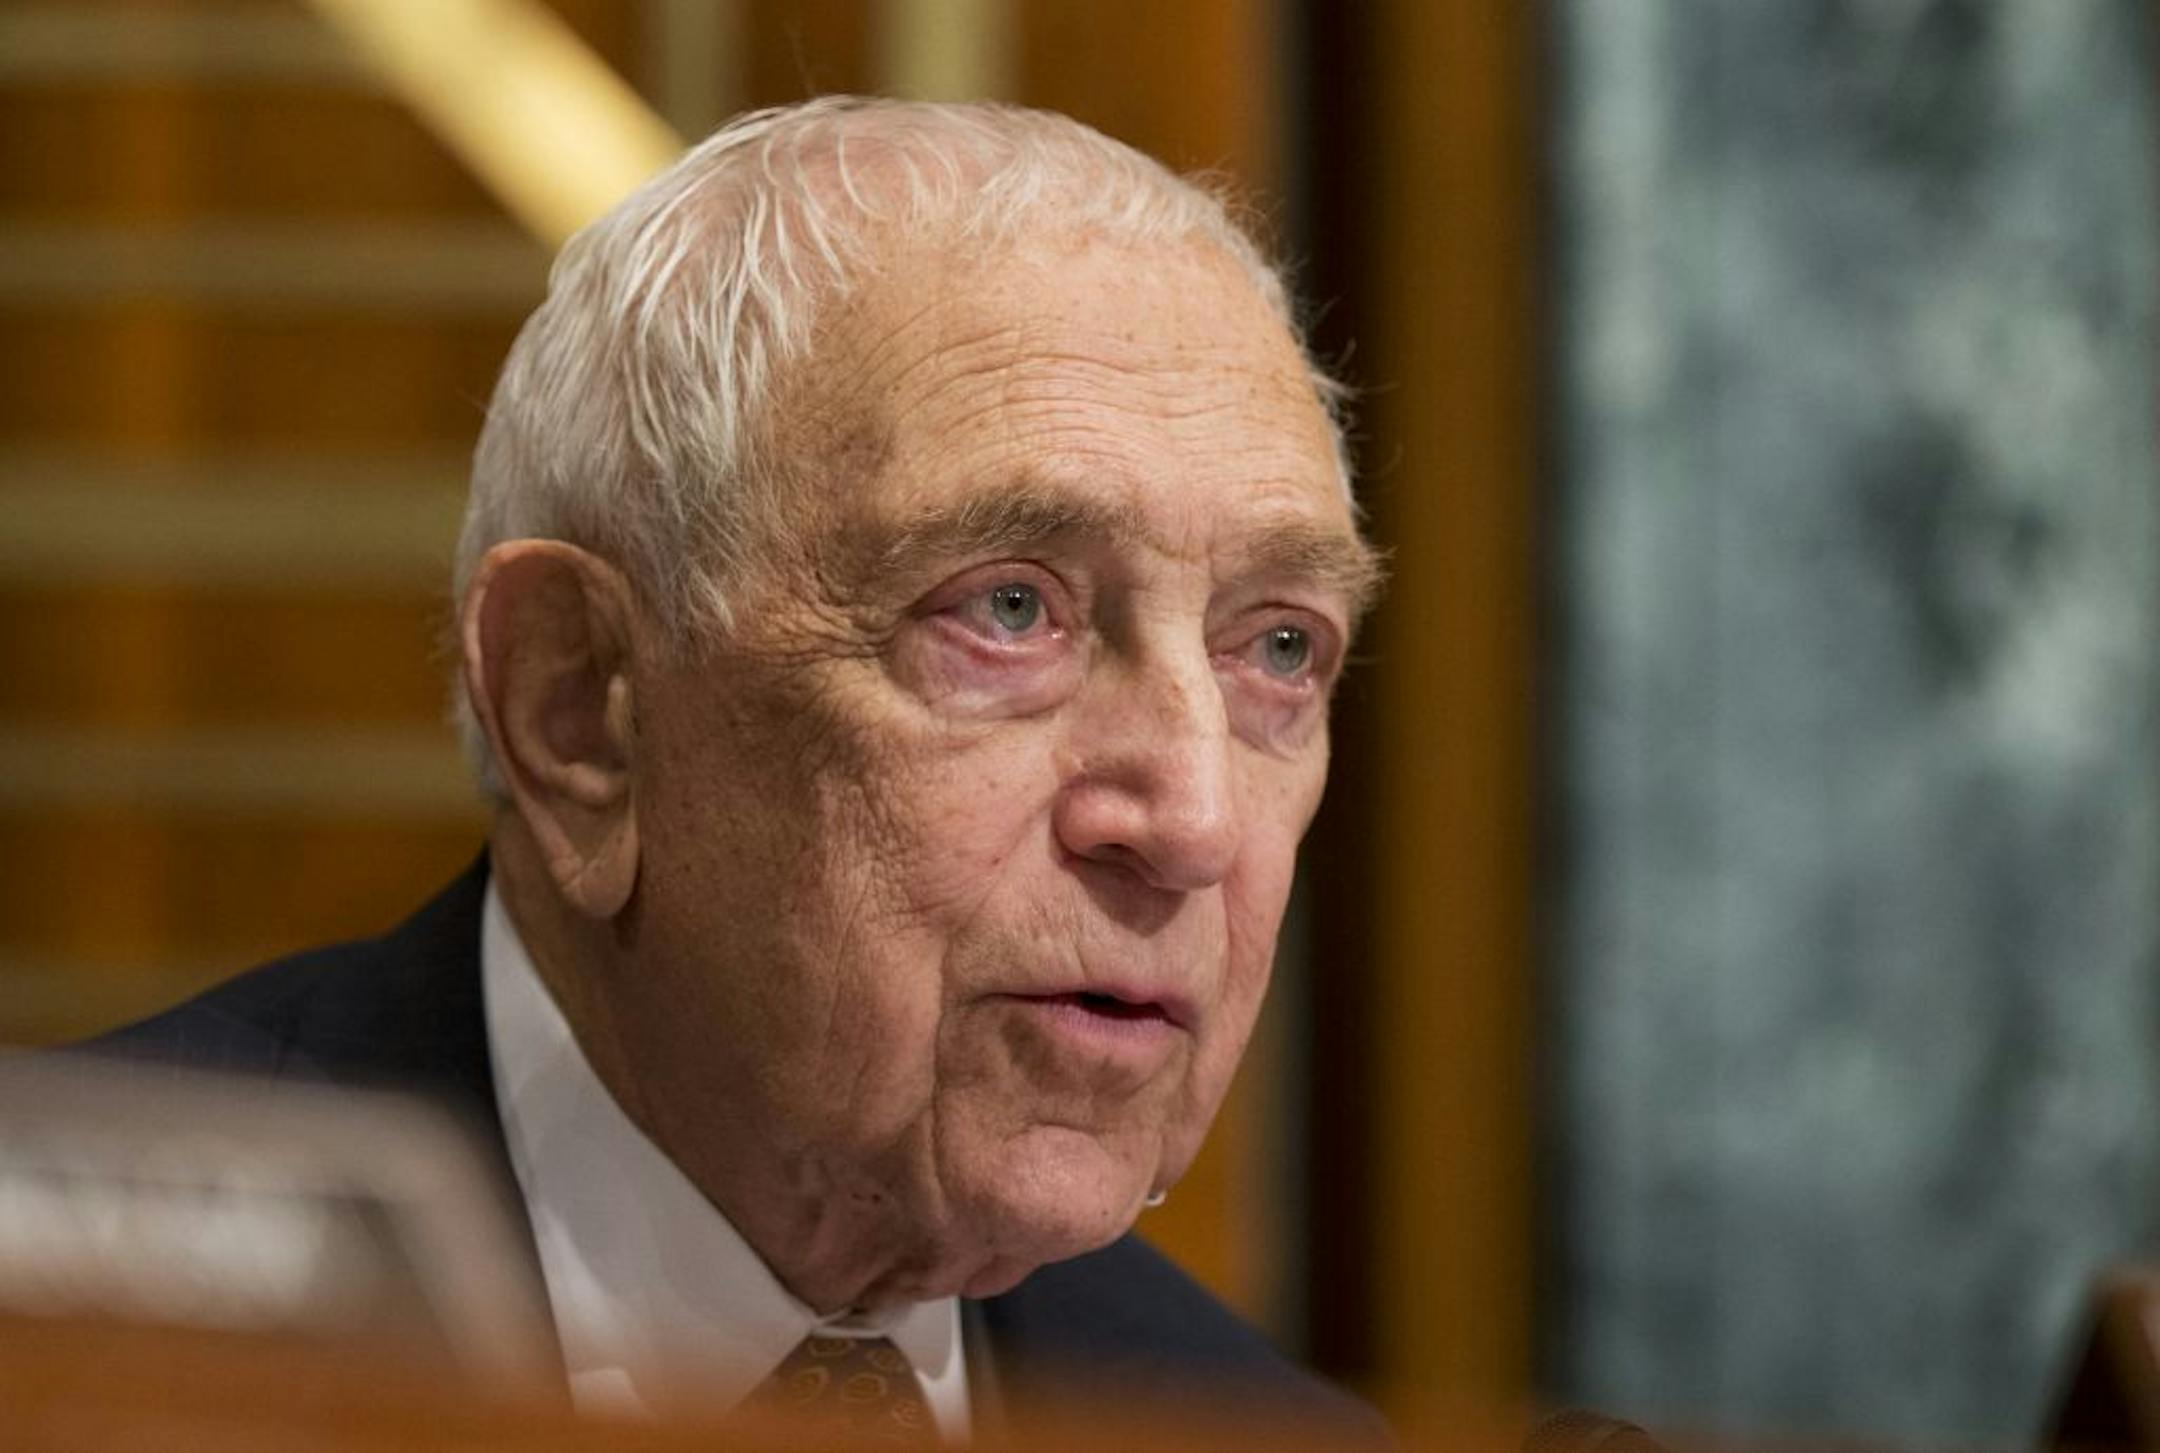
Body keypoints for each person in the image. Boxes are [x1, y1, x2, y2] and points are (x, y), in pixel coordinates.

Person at [98, 97, 1385, 1442]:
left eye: (1279, 646)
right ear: (578, 710)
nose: (1192, 814)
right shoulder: (75, 1343)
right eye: (1010, 609)